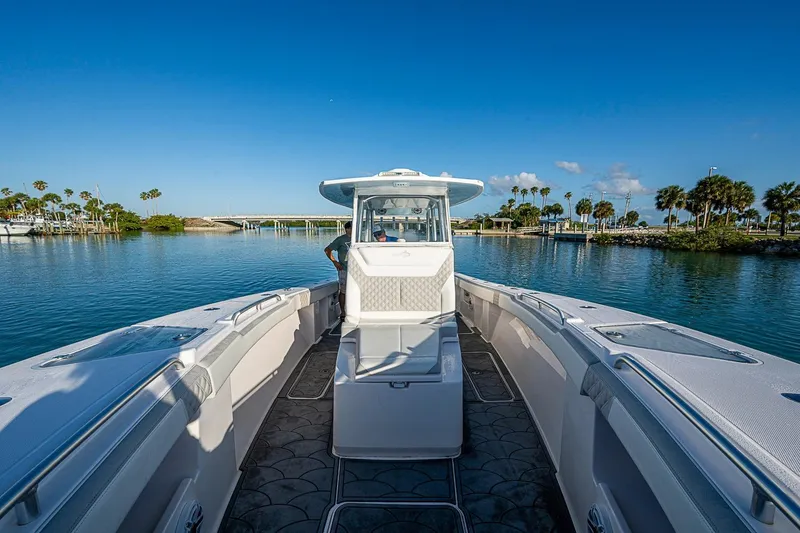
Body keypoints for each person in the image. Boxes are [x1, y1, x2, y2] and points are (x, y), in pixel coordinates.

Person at [324, 221, 351, 320]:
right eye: (351, 228)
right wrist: (335, 262)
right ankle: (343, 312)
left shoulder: (358, 239)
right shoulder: (340, 239)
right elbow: (327, 250)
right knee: (343, 291)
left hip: (356, 271)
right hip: (344, 269)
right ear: (347, 229)